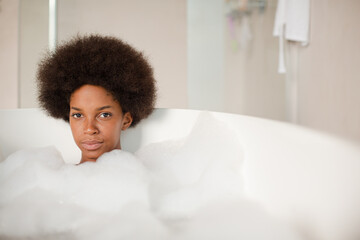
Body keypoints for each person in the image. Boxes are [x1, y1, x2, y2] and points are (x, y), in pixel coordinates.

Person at [37, 34, 157, 164]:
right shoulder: (53, 178)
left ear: (126, 120)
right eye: (78, 115)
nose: (89, 129)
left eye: (104, 115)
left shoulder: (145, 179)